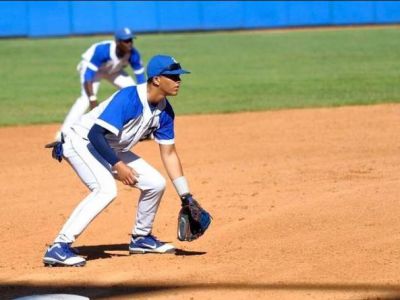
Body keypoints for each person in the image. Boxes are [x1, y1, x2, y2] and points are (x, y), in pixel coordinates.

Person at [43, 54, 195, 267]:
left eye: (179, 76)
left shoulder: (165, 112)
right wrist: (117, 164)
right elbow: (96, 134)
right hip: (81, 141)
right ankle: (59, 246)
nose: (179, 81)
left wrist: (186, 195)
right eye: (173, 76)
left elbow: (169, 153)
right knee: (105, 189)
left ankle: (141, 238)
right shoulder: (129, 98)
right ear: (157, 80)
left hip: (110, 146)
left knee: (155, 183)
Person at [53, 27, 146, 142]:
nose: (130, 43)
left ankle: (138, 130)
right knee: (85, 99)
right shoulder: (103, 51)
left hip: (113, 71)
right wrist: (92, 98)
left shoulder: (134, 54)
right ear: (117, 42)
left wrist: (144, 96)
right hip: (93, 71)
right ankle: (63, 133)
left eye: (131, 40)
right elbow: (88, 75)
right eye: (126, 41)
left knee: (134, 93)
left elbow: (141, 78)